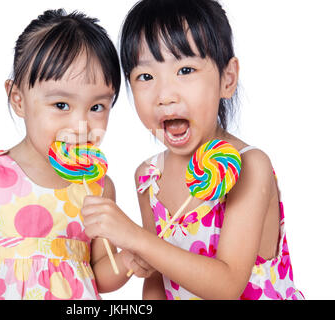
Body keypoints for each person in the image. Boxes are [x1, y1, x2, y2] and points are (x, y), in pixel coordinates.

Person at [82, 0, 304, 300]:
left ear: (228, 79)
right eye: (145, 76)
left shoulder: (249, 166)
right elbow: (156, 280)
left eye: (185, 69)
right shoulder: (148, 177)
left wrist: (135, 237)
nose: (165, 95)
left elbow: (227, 285)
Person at [0, 9, 148, 300]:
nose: (80, 124)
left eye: (97, 107)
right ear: (18, 99)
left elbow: (97, 272)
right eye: (61, 105)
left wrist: (129, 261)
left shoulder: (97, 187)